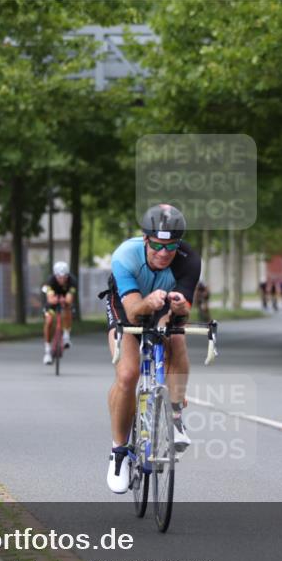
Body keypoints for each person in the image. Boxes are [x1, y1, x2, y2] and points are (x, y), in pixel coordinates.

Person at [104, 203, 201, 494]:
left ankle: (176, 418)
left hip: (162, 306)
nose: (164, 252)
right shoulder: (125, 255)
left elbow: (183, 314)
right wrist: (149, 302)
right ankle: (118, 452)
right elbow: (134, 313)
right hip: (126, 306)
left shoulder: (188, 260)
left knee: (177, 338)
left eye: (171, 246)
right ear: (145, 239)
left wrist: (179, 309)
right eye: (157, 245)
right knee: (127, 374)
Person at [41, 261, 77, 364]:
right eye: (59, 277)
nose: (62, 279)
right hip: (52, 303)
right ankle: (47, 352)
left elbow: (69, 299)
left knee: (68, 308)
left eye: (64, 277)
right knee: (49, 321)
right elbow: (50, 299)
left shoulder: (72, 281)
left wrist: (64, 301)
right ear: (55, 275)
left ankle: (66, 336)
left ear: (67, 275)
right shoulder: (50, 281)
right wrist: (56, 299)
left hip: (65, 302)